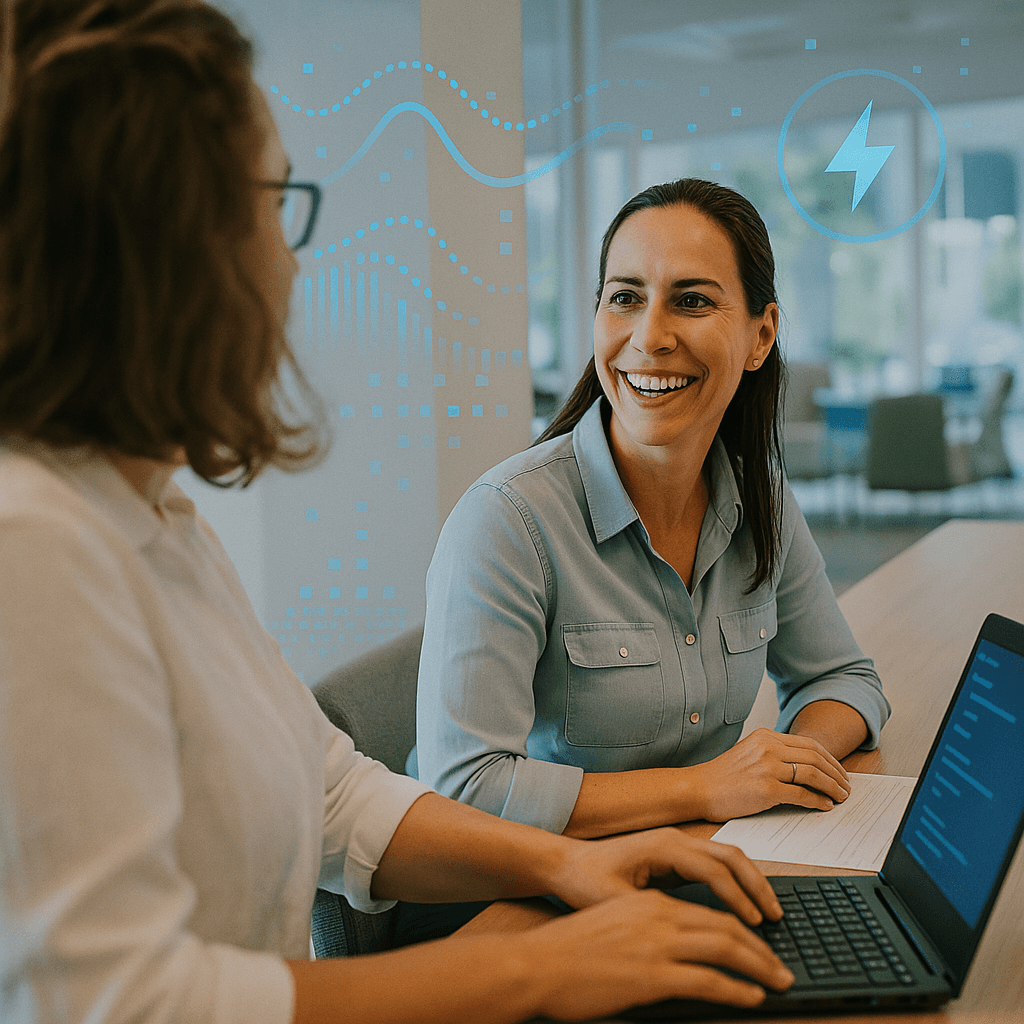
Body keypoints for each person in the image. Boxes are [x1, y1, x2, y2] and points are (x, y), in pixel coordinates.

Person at [0, 3, 798, 1023]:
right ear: (168, 242)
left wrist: (569, 868)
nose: (291, 261)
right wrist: (542, 966)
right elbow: (121, 1002)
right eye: (273, 200)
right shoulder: (34, 544)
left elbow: (332, 795)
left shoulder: (155, 519)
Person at [415, 178, 891, 839]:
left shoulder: (760, 498)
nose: (649, 336)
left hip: (688, 856)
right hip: (521, 889)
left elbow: (843, 680)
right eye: (625, 298)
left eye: (691, 301)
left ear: (761, 336)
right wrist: (706, 788)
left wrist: (785, 762)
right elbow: (465, 791)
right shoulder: (507, 520)